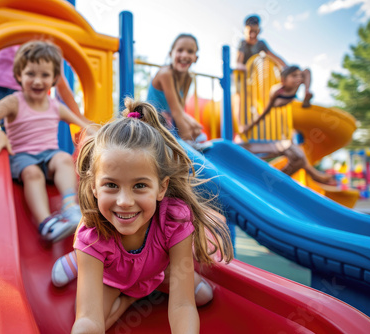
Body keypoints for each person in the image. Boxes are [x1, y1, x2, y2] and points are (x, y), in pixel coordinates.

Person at [51, 99, 234, 333]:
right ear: (95, 187)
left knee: (203, 296)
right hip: (113, 277)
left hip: (156, 271)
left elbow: (182, 305)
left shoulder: (174, 219)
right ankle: (119, 287)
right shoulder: (93, 235)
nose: (125, 201)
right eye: (111, 185)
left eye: (139, 186)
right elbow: (88, 319)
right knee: (98, 324)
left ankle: (141, 288)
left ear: (161, 187)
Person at [0, 41, 92, 242]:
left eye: (45, 75)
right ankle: (46, 223)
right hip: (22, 157)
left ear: (54, 78)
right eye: (30, 74)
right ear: (19, 75)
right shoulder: (13, 101)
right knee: (32, 173)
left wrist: (97, 132)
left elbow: (82, 124)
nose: (37, 81)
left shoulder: (55, 106)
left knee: (63, 158)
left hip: (49, 156)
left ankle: (71, 206)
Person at [238, 66, 336, 185]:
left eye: (299, 76)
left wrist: (307, 91)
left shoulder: (297, 85)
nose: (298, 78)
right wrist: (250, 126)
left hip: (285, 127)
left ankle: (278, 181)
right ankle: (314, 176)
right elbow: (265, 111)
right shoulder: (277, 91)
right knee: (297, 155)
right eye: (294, 76)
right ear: (283, 80)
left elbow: (306, 72)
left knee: (298, 156)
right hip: (278, 114)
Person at [237, 15, 313, 108]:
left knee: (305, 72)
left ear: (259, 31)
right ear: (245, 31)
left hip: (260, 80)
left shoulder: (260, 44)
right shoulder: (243, 43)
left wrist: (286, 67)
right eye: (250, 32)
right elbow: (239, 59)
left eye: (255, 32)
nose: (253, 35)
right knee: (240, 91)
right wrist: (240, 65)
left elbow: (273, 56)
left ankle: (306, 92)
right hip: (247, 78)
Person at [146, 33, 204, 142]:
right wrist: (187, 138)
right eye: (180, 50)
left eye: (190, 51)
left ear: (196, 58)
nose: (185, 55)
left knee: (196, 129)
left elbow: (180, 110)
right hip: (151, 123)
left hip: (167, 122)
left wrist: (193, 126)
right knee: (189, 133)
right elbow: (176, 112)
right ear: (170, 54)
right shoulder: (165, 74)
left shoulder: (188, 79)